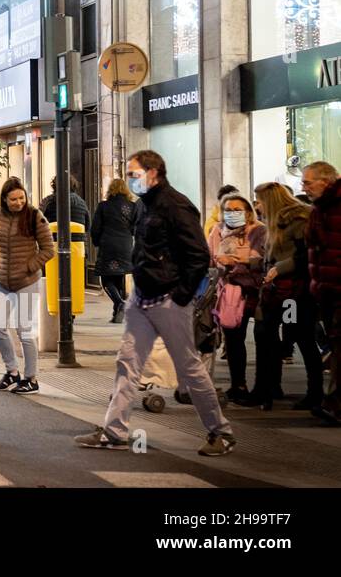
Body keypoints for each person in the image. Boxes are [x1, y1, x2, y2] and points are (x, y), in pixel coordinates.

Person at [75, 150, 236, 456]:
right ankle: (114, 431)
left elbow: (199, 255)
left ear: (153, 173)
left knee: (189, 367)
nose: (130, 178)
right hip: (142, 297)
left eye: (134, 173)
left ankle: (221, 432)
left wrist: (181, 296)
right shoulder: (145, 205)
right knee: (128, 363)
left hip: (167, 299)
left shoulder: (176, 205)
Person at [250, 182, 322, 411]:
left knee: (301, 336)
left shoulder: (299, 221)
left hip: (292, 294)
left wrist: (279, 268)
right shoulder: (274, 223)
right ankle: (268, 387)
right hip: (275, 292)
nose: (256, 205)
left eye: (259, 200)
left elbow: (305, 256)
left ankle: (315, 392)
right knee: (265, 332)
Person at [0, 177, 53, 394]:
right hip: (3, 281)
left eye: (21, 198)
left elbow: (48, 249)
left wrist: (29, 266)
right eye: (13, 199)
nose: (18, 202)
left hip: (26, 281)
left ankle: (31, 378)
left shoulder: (34, 216)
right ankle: (12, 372)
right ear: (5, 199)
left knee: (24, 330)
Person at [205, 192, 265, 405]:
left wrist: (236, 261)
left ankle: (266, 386)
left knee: (263, 338)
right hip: (229, 291)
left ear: (248, 212)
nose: (232, 214)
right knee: (233, 338)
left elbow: (259, 259)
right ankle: (238, 384)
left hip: (255, 291)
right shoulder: (216, 231)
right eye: (228, 210)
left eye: (237, 210)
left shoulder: (258, 231)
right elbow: (211, 259)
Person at [302, 161, 341, 423]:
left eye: (308, 182)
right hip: (326, 291)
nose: (303, 187)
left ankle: (334, 403)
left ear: (326, 181)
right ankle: (332, 402)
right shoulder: (319, 209)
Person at [93, 179, 136, 323]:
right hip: (125, 245)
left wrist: (96, 241)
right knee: (117, 277)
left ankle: (120, 302)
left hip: (109, 245)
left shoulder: (104, 206)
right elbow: (135, 228)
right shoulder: (132, 206)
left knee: (106, 279)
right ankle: (116, 313)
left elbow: (96, 228)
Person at [39, 175, 91, 240]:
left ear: (54, 185)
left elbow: (39, 222)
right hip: (78, 246)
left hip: (54, 243)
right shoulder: (82, 203)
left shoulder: (48, 201)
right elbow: (87, 226)